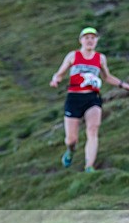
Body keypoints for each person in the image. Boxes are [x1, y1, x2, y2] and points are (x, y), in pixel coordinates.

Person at [50, 27, 129, 172]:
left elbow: (106, 77)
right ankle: (71, 150)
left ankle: (89, 167)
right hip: (74, 98)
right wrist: (56, 79)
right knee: (71, 139)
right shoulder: (73, 56)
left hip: (92, 98)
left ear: (97, 41)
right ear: (81, 40)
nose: (90, 40)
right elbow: (60, 73)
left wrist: (123, 85)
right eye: (87, 38)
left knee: (92, 130)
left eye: (93, 38)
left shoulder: (100, 58)